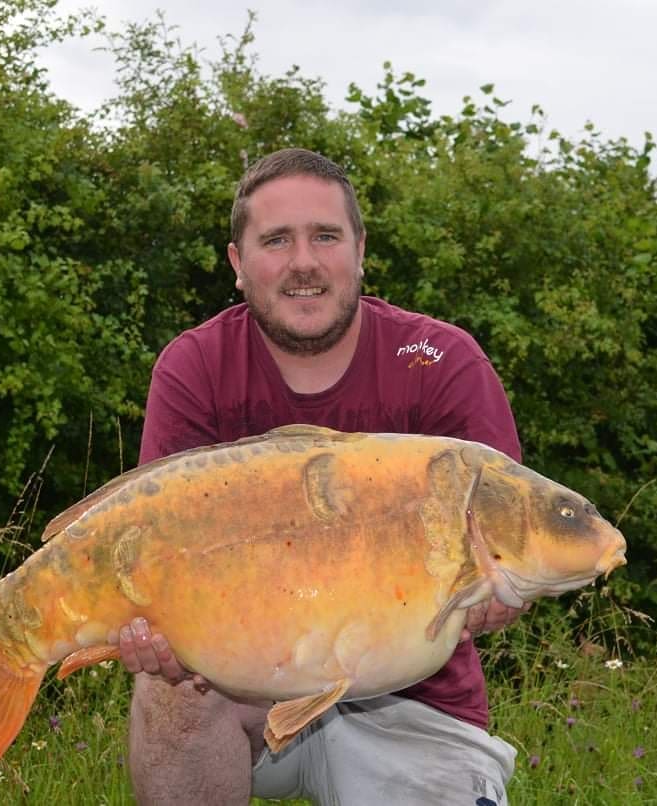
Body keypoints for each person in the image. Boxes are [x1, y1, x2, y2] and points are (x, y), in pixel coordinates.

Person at [119, 148, 527, 805]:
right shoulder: (194, 368)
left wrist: (505, 590)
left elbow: (514, 557)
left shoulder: (443, 363)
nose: (303, 262)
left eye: (325, 236)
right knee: (170, 692)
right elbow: (152, 556)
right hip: (242, 689)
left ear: (360, 250)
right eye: (276, 240)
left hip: (414, 704)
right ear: (237, 265)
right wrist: (156, 628)